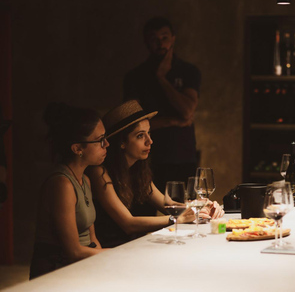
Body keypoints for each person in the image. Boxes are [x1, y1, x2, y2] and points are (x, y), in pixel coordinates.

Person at [87, 100, 223, 248]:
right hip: (110, 249)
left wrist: (201, 206)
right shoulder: (99, 172)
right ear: (122, 142)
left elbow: (169, 205)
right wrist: (177, 219)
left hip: (137, 245)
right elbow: (128, 223)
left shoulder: (138, 169)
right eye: (140, 136)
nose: (150, 141)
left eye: (149, 133)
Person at [30, 103, 108, 279]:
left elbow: (92, 239)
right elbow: (73, 251)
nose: (107, 144)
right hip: (56, 270)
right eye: (100, 140)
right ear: (77, 148)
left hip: (79, 264)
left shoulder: (85, 179)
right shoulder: (62, 184)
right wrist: (115, 255)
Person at [124, 17, 200, 194]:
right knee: (143, 212)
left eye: (164, 37)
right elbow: (131, 125)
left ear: (173, 38)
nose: (160, 43)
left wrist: (161, 78)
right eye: (154, 39)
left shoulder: (189, 71)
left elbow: (187, 111)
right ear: (146, 42)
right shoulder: (135, 76)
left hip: (182, 155)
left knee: (184, 213)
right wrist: (172, 121)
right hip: (145, 156)